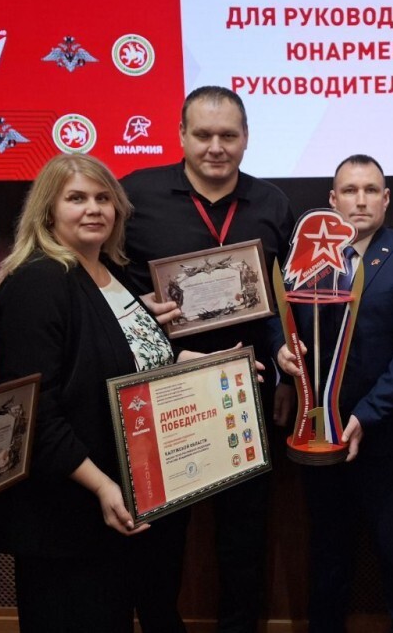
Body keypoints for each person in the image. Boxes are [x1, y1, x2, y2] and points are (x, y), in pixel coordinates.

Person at [121, 85, 295, 632]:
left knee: (244, 536)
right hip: (162, 390)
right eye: (202, 135)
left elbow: (279, 299)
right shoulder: (135, 195)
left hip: (245, 390)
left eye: (228, 135)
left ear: (246, 138)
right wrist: (141, 308)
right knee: (162, 535)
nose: (215, 147)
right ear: (181, 135)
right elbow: (103, 287)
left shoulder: (272, 203)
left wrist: (283, 366)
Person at [0, 154, 186, 632]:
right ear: (47, 211)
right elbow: (34, 411)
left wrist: (193, 365)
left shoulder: (109, 273)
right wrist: (100, 485)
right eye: (76, 198)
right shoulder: (37, 282)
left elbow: (124, 362)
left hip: (119, 503)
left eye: (103, 198)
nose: (93, 208)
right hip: (69, 515)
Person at [276, 154, 393, 633]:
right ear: (332, 200)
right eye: (349, 190)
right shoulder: (305, 258)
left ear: (386, 200)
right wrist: (281, 352)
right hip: (317, 437)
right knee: (327, 554)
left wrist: (366, 416)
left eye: (370, 190)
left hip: (383, 436)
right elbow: (280, 320)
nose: (360, 200)